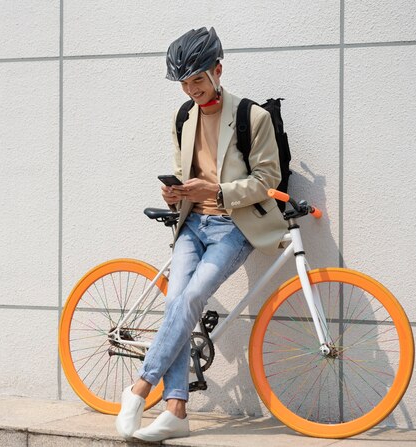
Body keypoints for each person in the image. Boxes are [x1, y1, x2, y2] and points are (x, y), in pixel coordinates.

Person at [115, 27, 288, 442]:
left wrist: (218, 191)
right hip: (193, 224)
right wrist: (175, 193)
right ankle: (176, 409)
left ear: (217, 71)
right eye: (184, 82)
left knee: (191, 298)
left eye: (197, 79)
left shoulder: (252, 117)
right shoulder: (182, 117)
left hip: (235, 226)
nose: (191, 89)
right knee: (177, 301)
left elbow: (268, 179)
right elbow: (184, 170)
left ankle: (139, 388)